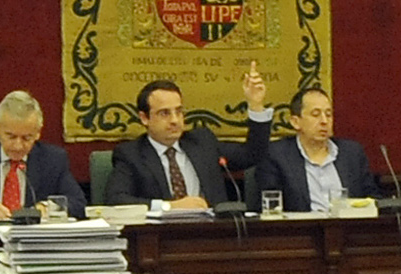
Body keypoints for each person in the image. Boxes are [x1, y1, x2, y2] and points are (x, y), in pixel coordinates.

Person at [99, 65, 270, 209]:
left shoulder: (202, 142)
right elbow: (115, 199)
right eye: (164, 113)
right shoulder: (131, 154)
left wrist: (256, 105)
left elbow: (252, 154)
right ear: (144, 118)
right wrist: (169, 206)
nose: (174, 120)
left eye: (178, 111)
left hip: (213, 232)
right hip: (161, 234)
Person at [0, 89, 88, 219]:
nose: (18, 146)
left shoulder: (53, 159)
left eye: (27, 138)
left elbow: (78, 203)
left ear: (38, 133)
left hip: (34, 237)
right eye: (11, 137)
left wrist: (47, 208)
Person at [258, 83, 379, 213]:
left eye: (328, 114)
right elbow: (270, 207)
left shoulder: (352, 153)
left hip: (347, 224)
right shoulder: (277, 155)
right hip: (302, 226)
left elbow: (372, 199)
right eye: (316, 115)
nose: (324, 121)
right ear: (295, 122)